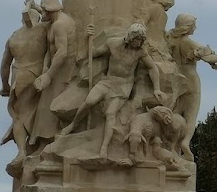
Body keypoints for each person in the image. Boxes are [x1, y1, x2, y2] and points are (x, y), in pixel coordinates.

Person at [62, 23, 162, 160]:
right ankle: (73, 124)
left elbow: (152, 68)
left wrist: (157, 88)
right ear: (131, 37)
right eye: (138, 39)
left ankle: (104, 147)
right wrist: (87, 38)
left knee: (110, 113)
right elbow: (93, 53)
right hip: (107, 81)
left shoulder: (141, 51)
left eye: (141, 40)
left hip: (124, 86)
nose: (139, 43)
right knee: (89, 101)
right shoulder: (112, 43)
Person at [167, 14, 217, 159]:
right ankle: (185, 142)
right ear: (188, 27)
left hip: (176, 81)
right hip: (191, 81)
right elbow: (208, 57)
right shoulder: (188, 43)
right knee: (190, 116)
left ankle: (172, 146)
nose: (195, 28)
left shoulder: (170, 41)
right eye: (193, 25)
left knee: (176, 113)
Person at [0, 0, 49, 162]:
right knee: (32, 112)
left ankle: (22, 150)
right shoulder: (42, 29)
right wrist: (35, 5)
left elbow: (5, 65)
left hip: (19, 78)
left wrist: (5, 86)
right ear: (37, 18)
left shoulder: (14, 37)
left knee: (19, 115)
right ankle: (26, 150)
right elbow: (49, 15)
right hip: (36, 74)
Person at [30, 0, 77, 147]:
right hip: (55, 67)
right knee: (46, 103)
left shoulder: (59, 25)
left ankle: (48, 141)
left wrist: (49, 75)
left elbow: (62, 52)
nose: (41, 13)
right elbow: (50, 52)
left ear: (49, 10)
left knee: (49, 105)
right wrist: (33, 5)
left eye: (43, 10)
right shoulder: (56, 19)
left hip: (62, 70)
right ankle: (44, 141)